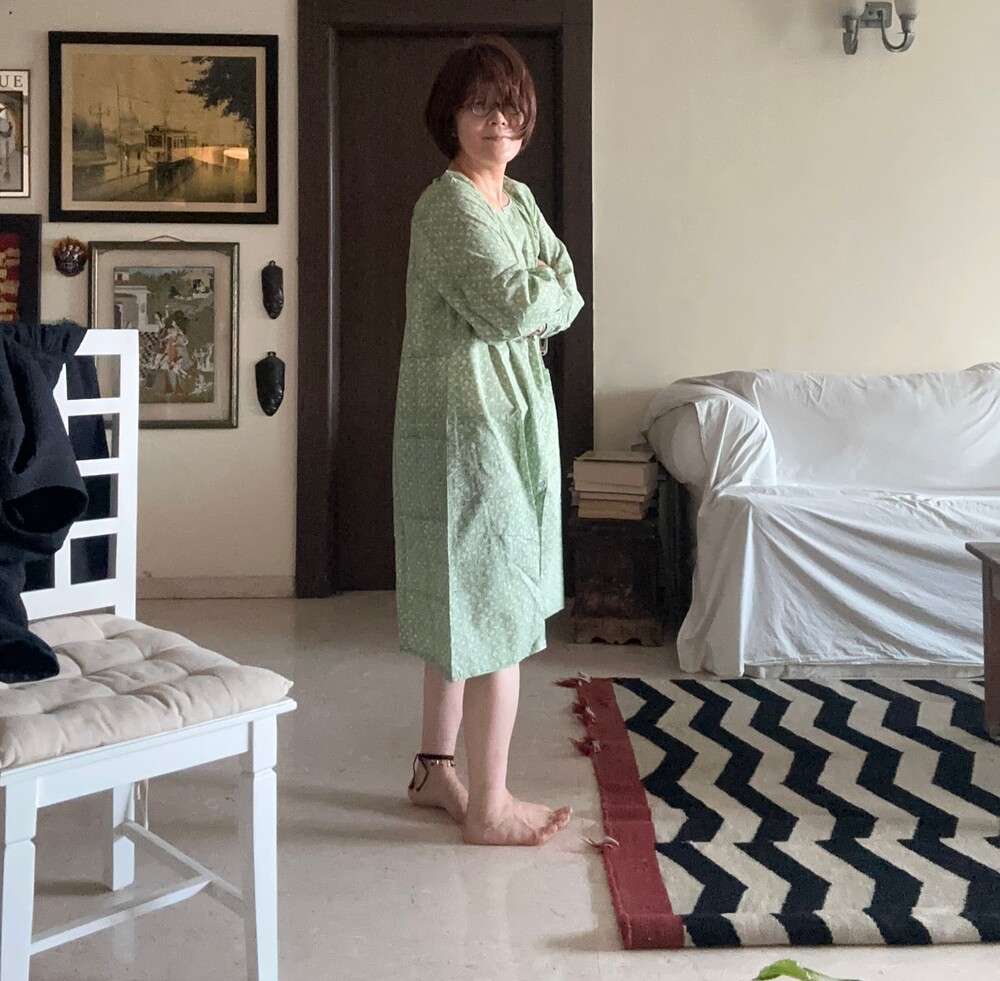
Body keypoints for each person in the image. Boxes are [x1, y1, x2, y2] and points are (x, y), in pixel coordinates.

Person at [392, 36, 584, 846]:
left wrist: (543, 294)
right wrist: (541, 295)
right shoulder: (446, 205)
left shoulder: (522, 200)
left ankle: (434, 771)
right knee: (491, 604)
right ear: (451, 118)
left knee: (466, 600)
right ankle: (490, 804)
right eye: (478, 107)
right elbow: (514, 305)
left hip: (514, 415)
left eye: (508, 106)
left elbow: (568, 288)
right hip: (464, 425)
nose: (497, 121)